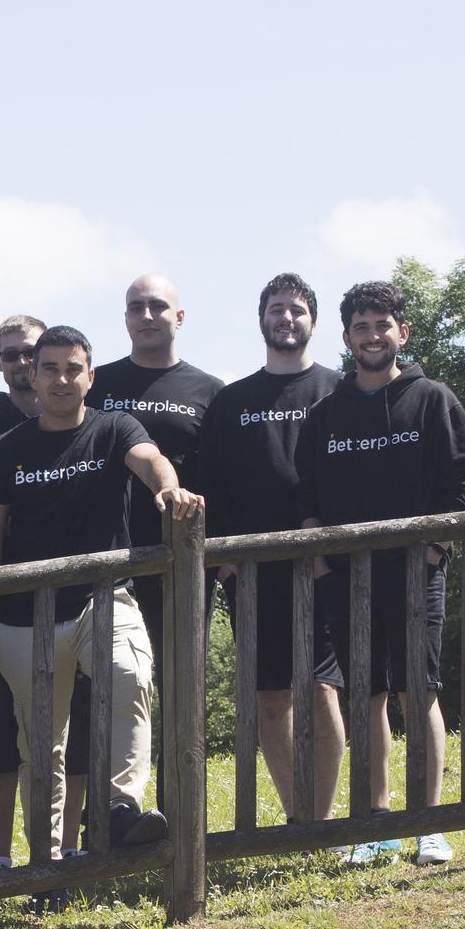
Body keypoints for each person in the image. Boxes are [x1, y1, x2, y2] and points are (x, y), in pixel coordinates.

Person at [0, 326, 202, 870]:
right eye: (49, 368)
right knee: (42, 749)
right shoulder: (6, 450)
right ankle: (47, 867)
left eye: (72, 368)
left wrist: (166, 490)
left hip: (105, 597)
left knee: (131, 677)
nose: (60, 378)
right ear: (33, 374)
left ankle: (120, 807)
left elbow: (150, 459)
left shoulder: (114, 427)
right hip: (24, 616)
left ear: (90, 376)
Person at [298, 280, 465, 866]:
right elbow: (308, 498)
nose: (373, 336)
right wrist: (323, 562)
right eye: (361, 326)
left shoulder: (432, 399)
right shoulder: (325, 414)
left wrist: (429, 554)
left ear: (402, 331)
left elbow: (461, 491)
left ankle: (428, 824)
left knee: (417, 690)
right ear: (346, 337)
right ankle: (378, 824)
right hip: (345, 580)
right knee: (367, 696)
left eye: (383, 325)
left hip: (414, 576)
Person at [198, 275, 348, 822]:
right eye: (277, 309)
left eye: (298, 309)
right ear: (261, 318)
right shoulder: (230, 401)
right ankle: (297, 817)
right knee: (270, 696)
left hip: (327, 567)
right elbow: (208, 483)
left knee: (323, 690)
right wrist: (226, 565)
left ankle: (324, 816)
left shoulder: (340, 389)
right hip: (253, 574)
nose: (287, 318)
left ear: (314, 320)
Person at [0, 315, 98, 843]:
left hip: (81, 603)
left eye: (31, 354)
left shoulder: (92, 427)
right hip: (3, 605)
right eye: (11, 355)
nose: (22, 364)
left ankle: (69, 846)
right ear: (0, 364)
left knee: (75, 729)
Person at [87, 274, 224, 694]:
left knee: (181, 678)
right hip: (106, 556)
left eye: (158, 306)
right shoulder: (96, 385)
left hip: (181, 554)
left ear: (179, 317)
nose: (147, 315)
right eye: (136, 307)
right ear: (125, 319)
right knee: (106, 684)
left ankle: (183, 764)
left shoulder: (211, 391)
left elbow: (221, 478)